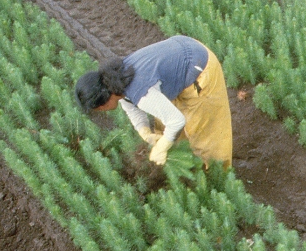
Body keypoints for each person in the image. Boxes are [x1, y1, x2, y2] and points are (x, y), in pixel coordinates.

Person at [74, 35, 232, 169]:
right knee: (164, 130)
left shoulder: (141, 92)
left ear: (103, 102)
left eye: (99, 109)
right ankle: (184, 165)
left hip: (198, 66)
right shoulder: (114, 81)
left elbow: (176, 121)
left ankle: (216, 179)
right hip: (178, 57)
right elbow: (131, 107)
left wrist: (162, 148)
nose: (102, 111)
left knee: (205, 137)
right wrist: (146, 133)